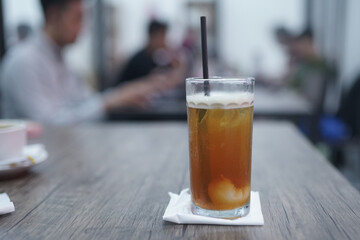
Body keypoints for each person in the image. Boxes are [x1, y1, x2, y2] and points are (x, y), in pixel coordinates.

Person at [0, 0, 173, 125]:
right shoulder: (24, 61)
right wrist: (111, 101)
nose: (83, 27)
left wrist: (122, 95)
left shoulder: (60, 60)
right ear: (53, 15)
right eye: (78, 18)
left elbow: (87, 101)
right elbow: (48, 125)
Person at [116, 19, 180, 84]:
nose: (165, 41)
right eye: (162, 36)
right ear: (152, 36)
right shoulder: (139, 60)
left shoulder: (154, 57)